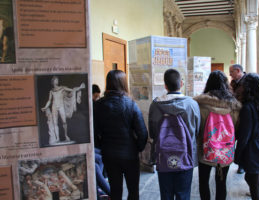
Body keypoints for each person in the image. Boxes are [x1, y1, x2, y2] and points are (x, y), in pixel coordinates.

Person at [94, 70, 148, 200]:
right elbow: (143, 133)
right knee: (133, 191)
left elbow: (94, 132)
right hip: (129, 154)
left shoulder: (98, 105)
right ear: (123, 83)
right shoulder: (131, 104)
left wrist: (102, 146)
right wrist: (137, 148)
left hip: (109, 154)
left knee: (115, 190)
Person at [149, 69, 200, 200]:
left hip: (163, 156)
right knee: (183, 194)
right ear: (181, 84)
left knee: (166, 194)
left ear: (165, 85)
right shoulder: (192, 104)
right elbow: (196, 130)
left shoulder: (155, 105)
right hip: (186, 155)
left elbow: (153, 132)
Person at [194, 71, 241, 200]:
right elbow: (237, 130)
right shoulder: (234, 106)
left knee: (203, 181)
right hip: (225, 151)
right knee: (221, 182)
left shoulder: (199, 104)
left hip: (204, 149)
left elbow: (196, 128)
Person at [235, 73, 259, 200]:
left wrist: (238, 154)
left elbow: (244, 135)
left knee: (254, 183)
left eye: (242, 85)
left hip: (253, 149)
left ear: (248, 87)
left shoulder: (248, 107)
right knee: (258, 181)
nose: (239, 88)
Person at [41, 76, 85, 144]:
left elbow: (72, 90)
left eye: (57, 80)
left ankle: (66, 135)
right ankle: (57, 138)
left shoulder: (62, 88)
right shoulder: (51, 91)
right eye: (56, 80)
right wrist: (45, 107)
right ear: (53, 82)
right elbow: (49, 100)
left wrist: (80, 87)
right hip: (54, 106)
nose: (57, 81)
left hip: (61, 106)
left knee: (64, 122)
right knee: (55, 123)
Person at [229, 64, 246, 174]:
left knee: (242, 140)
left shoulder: (247, 82)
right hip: (234, 114)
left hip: (243, 114)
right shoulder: (234, 82)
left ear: (238, 70)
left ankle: (241, 164)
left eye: (231, 72)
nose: (230, 74)